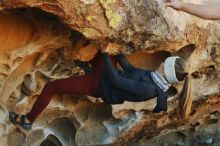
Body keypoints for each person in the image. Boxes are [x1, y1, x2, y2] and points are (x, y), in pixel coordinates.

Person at [9, 44, 190, 130]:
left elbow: (116, 81)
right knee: (100, 48)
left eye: (166, 62)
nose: (163, 60)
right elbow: (130, 69)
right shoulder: (156, 78)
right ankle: (90, 66)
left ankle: (28, 120)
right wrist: (116, 51)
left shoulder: (150, 90)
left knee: (50, 87)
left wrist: (105, 54)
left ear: (166, 69)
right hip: (107, 76)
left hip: (99, 84)